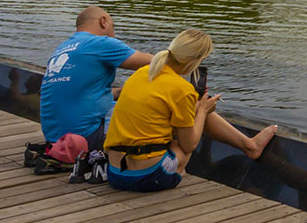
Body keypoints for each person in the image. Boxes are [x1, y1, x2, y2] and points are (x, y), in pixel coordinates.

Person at [103, 29, 277, 192]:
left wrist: (199, 108)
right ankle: (250, 147)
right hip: (147, 178)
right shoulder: (182, 89)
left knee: (193, 111)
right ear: (195, 61)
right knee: (190, 127)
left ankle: (250, 145)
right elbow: (189, 145)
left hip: (116, 173)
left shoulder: (143, 73)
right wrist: (202, 111)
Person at [39, 7, 154, 156]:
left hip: (56, 141)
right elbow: (154, 62)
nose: (113, 34)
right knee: (151, 108)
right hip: (85, 140)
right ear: (103, 22)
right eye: (113, 27)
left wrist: (120, 91)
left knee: (119, 102)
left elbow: (82, 92)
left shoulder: (63, 49)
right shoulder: (100, 43)